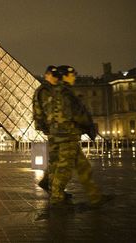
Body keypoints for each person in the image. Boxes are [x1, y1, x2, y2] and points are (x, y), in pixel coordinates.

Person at [47, 65, 113, 207]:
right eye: (72, 75)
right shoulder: (66, 93)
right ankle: (57, 199)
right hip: (67, 136)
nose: (74, 77)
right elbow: (78, 114)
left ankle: (95, 196)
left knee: (84, 167)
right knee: (64, 169)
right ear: (64, 76)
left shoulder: (53, 92)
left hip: (60, 135)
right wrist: (88, 127)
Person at [33, 66, 71, 198]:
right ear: (47, 75)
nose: (55, 78)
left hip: (54, 130)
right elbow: (48, 112)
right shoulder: (46, 91)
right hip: (56, 131)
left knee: (56, 160)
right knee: (62, 162)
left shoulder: (46, 90)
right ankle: (56, 193)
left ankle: (51, 185)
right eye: (53, 75)